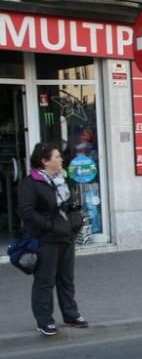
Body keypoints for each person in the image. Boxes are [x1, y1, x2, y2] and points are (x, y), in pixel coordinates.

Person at [17, 143, 88, 337]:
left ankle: (71, 315)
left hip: (66, 237)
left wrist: (76, 216)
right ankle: (44, 320)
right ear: (45, 161)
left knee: (66, 279)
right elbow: (26, 212)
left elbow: (66, 204)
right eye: (57, 157)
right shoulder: (31, 183)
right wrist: (49, 226)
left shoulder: (61, 179)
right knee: (45, 281)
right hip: (46, 239)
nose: (61, 159)